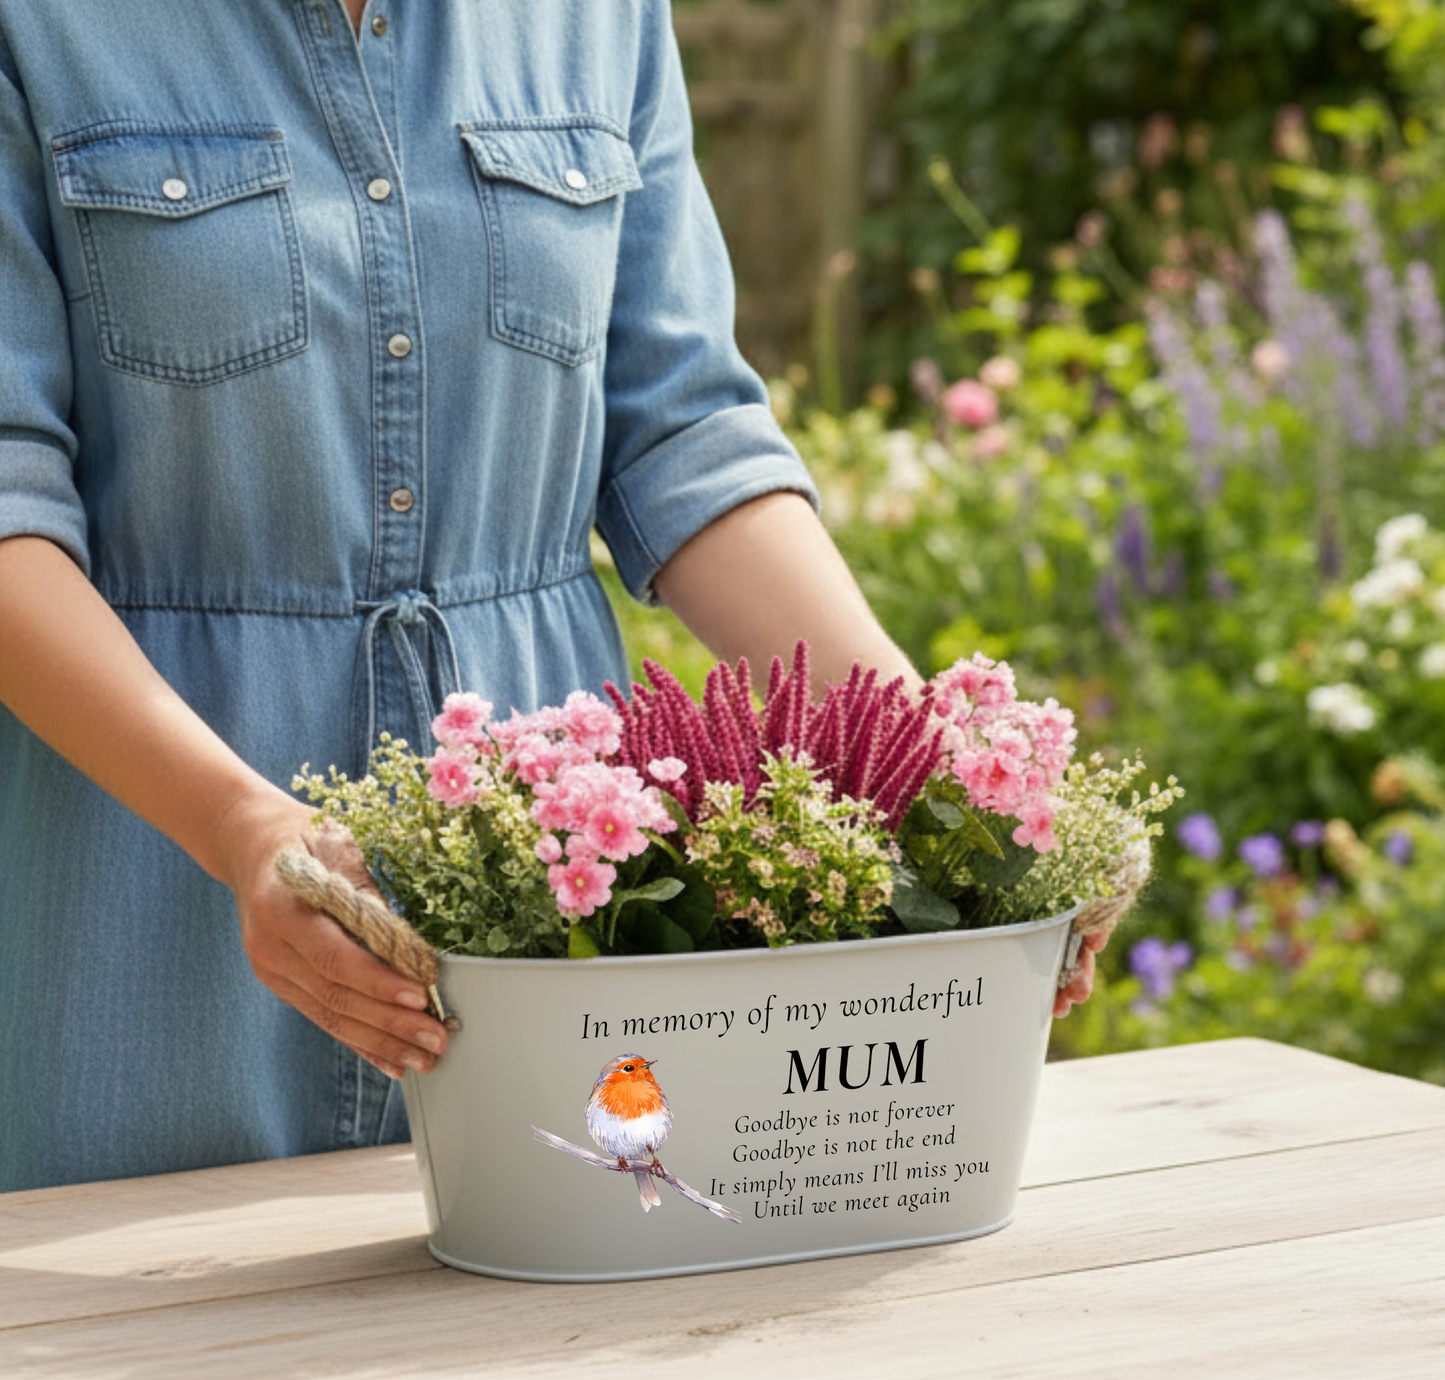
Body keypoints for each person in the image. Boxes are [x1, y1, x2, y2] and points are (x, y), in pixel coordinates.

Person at [0, 0, 1097, 1193]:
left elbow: (680, 438)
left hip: (556, 908)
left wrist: (935, 769)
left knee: (577, 1348)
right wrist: (244, 829)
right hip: (143, 886)